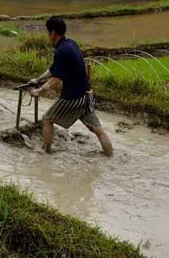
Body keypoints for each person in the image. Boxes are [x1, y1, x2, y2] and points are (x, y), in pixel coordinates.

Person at [29, 16, 113, 156]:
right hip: (86, 94)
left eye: (48, 32)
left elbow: (56, 79)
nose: (48, 35)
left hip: (73, 97)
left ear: (53, 33)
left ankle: (46, 154)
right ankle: (110, 156)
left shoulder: (61, 51)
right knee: (98, 130)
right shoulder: (71, 44)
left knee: (47, 119)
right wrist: (37, 79)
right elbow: (54, 69)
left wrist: (39, 90)